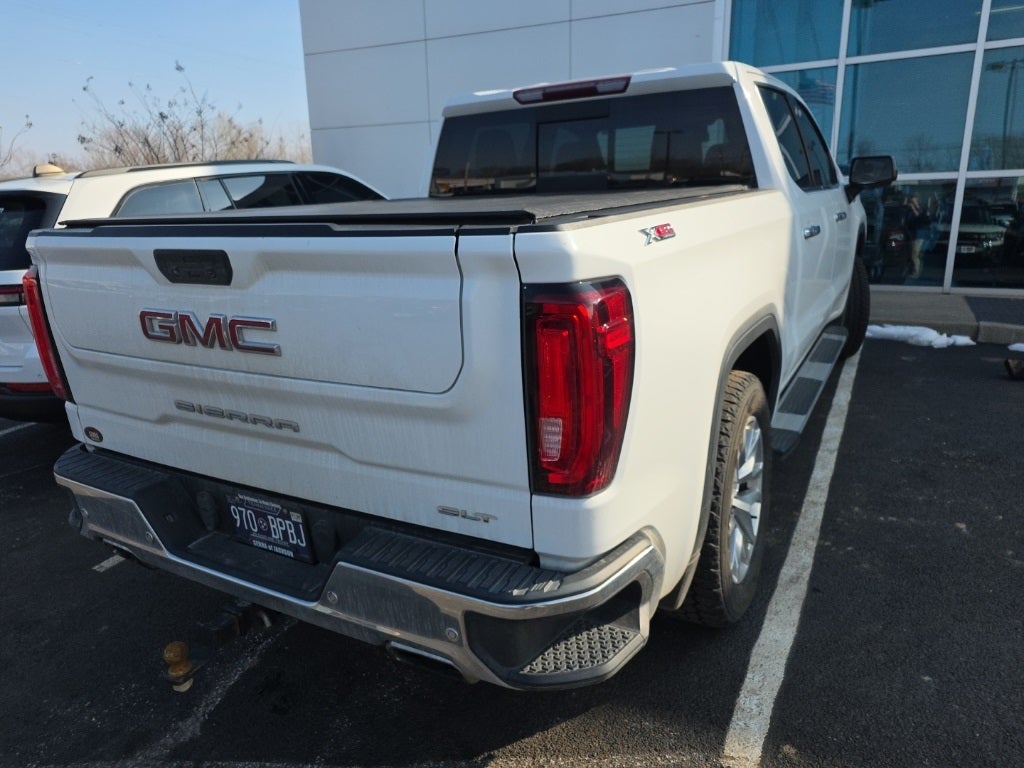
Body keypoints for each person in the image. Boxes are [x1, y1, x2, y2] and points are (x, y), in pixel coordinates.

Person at [904, 195, 931, 279]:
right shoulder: (909, 211)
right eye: (912, 202)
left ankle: (916, 273)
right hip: (912, 234)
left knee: (915, 254)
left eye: (914, 201)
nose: (913, 203)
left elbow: (922, 219)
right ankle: (912, 271)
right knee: (912, 254)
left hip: (920, 235)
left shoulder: (922, 209)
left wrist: (914, 208)